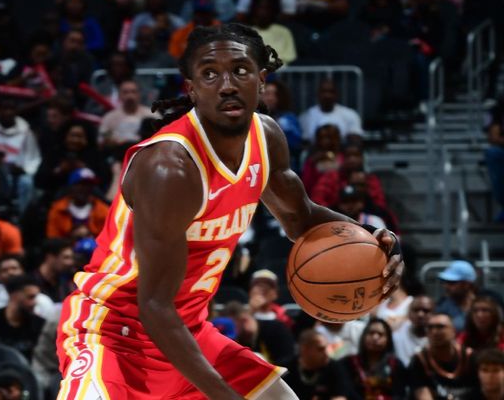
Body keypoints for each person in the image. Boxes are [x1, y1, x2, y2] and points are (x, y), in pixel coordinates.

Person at [56, 23, 402, 399]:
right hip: (115, 332)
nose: (226, 84)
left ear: (261, 79)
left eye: (240, 70)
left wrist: (373, 242)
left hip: (187, 331)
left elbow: (301, 218)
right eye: (209, 73)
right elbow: (154, 305)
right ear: (191, 88)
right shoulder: (170, 168)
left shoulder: (266, 137)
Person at [408, 311, 480, 399]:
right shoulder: (419, 360)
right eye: (430, 328)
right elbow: (422, 394)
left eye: (440, 327)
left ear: (453, 331)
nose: (434, 332)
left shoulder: (470, 356)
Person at [340, 318, 407, 400]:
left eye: (380, 334)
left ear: (388, 340)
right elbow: (346, 392)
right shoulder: (348, 363)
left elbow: (399, 394)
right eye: (371, 333)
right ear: (363, 336)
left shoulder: (396, 365)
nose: (375, 337)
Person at [282, 330, 356, 400]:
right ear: (305, 349)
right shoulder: (284, 369)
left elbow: (341, 397)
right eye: (321, 349)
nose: (326, 353)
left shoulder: (334, 367)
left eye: (327, 348)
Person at [0, 254, 56, 320]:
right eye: (4, 270)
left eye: (14, 268)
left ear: (23, 271)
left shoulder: (44, 301)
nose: (10, 272)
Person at [46, 168, 110, 240]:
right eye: (81, 184)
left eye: (89, 185)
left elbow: (108, 239)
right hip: (66, 249)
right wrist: (72, 239)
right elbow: (52, 239)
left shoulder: (103, 210)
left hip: (96, 248)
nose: (85, 189)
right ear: (71, 187)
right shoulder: (58, 209)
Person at [98, 80, 156, 157]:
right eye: (125, 92)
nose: (130, 96)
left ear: (139, 94)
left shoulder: (152, 114)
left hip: (146, 155)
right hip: (117, 156)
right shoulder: (109, 117)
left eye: (133, 92)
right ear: (119, 95)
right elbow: (101, 141)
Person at [299, 79, 364, 143]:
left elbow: (355, 141)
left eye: (331, 92)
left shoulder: (351, 114)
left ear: (337, 94)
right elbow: (305, 142)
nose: (327, 95)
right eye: (323, 91)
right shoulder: (306, 116)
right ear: (317, 93)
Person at [393, 295, 435, 367]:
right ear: (409, 313)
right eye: (416, 310)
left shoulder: (439, 336)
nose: (420, 314)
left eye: (426, 311)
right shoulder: (397, 331)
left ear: (434, 313)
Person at [436, 260, 478, 332]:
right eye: (445, 282)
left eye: (452, 283)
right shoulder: (442, 307)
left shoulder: (484, 305)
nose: (446, 286)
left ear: (467, 284)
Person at [33, 238, 75, 304]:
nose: (70, 262)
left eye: (71, 258)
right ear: (50, 257)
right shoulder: (32, 282)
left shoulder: (65, 284)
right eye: (66, 258)